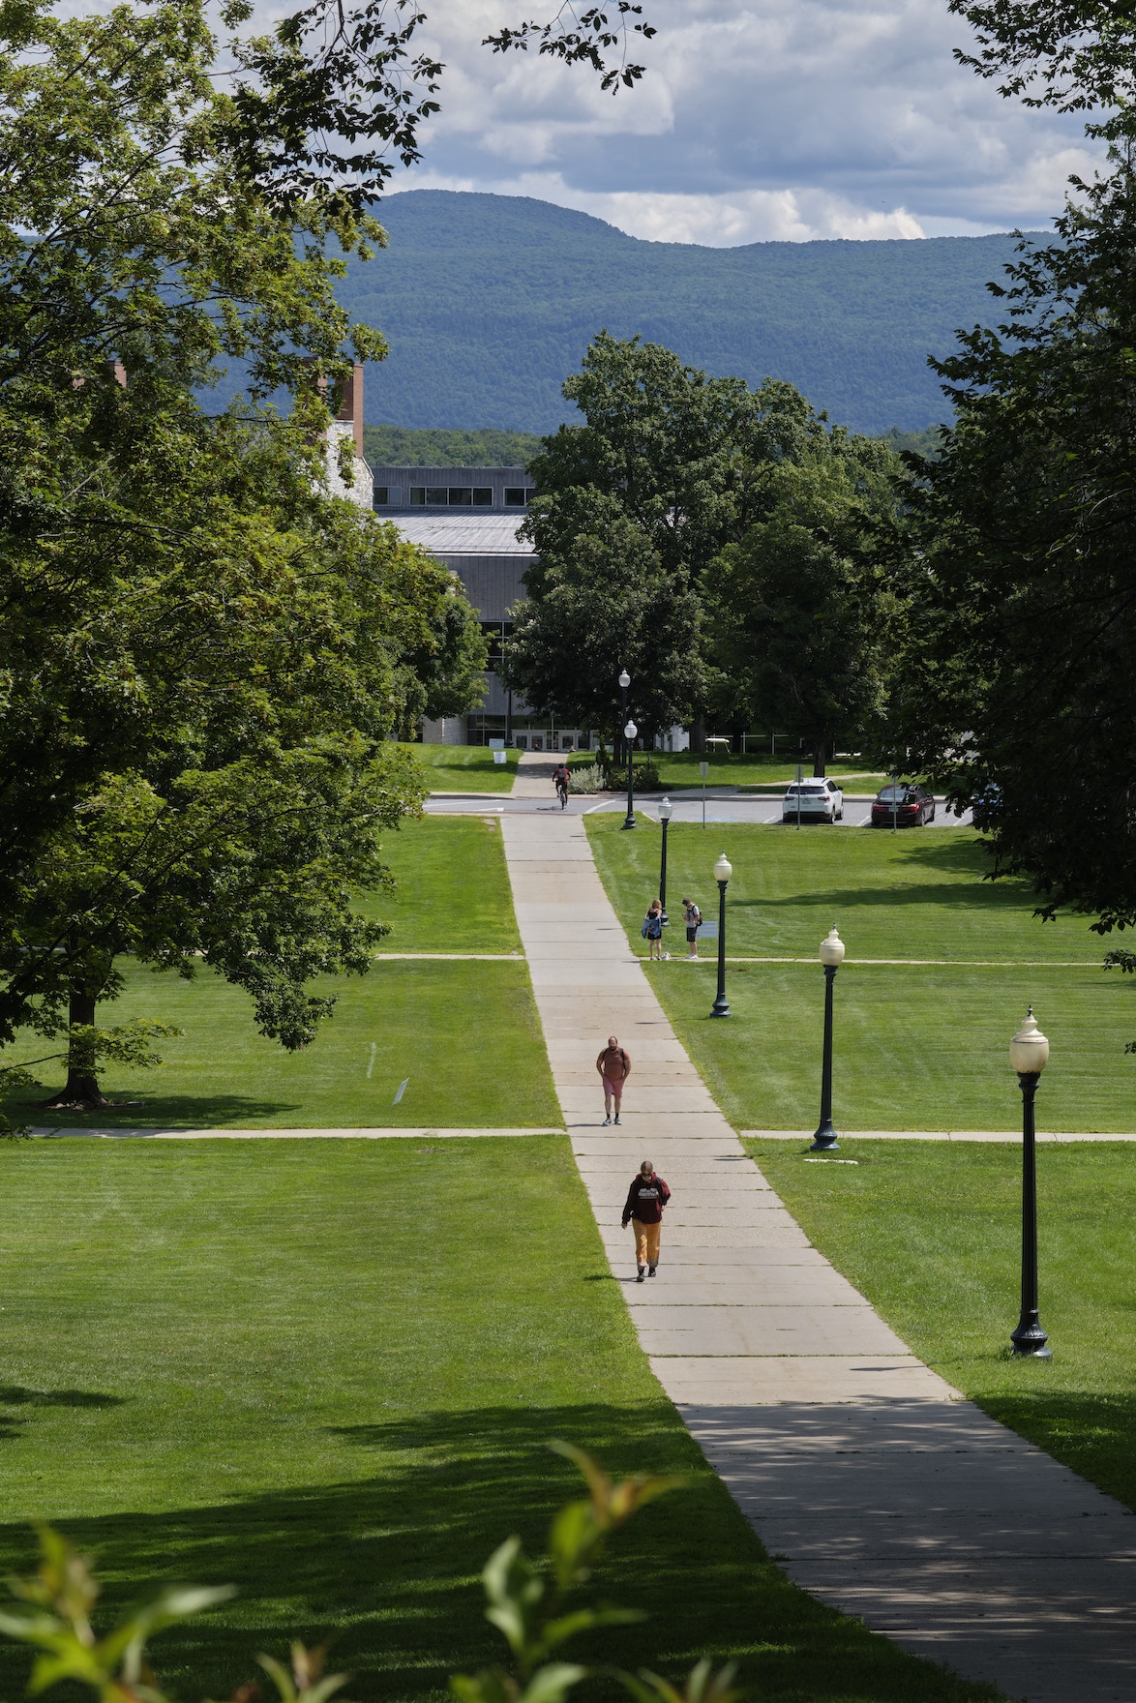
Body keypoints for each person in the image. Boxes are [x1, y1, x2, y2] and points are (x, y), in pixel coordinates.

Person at [621, 1160, 671, 1281]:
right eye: (644, 1174)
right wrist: (625, 1218)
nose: (646, 1177)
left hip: (655, 1219)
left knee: (653, 1245)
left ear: (652, 1173)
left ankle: (652, 1267)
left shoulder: (658, 1182)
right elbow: (630, 1201)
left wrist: (663, 1204)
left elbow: (667, 1193)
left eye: (648, 1175)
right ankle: (641, 1271)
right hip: (639, 1219)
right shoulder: (637, 1184)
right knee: (641, 1244)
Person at [596, 1035, 631, 1125]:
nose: (612, 1045)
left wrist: (624, 1077)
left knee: (618, 1098)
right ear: (608, 1044)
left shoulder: (622, 1053)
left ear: (616, 1043)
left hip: (619, 1080)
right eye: (610, 1043)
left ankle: (617, 1117)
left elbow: (628, 1066)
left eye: (613, 1043)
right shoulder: (604, 1052)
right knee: (608, 1096)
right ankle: (608, 1118)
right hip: (607, 1079)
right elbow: (598, 1064)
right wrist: (602, 1075)